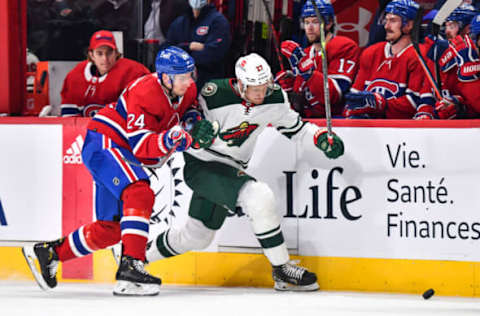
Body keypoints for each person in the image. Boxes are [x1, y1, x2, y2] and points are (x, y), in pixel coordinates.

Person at [146, 53, 345, 291]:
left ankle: (135, 258)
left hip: (232, 168)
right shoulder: (214, 94)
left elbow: (297, 128)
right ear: (240, 84)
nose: (261, 94)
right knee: (258, 196)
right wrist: (194, 128)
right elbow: (181, 118)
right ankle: (281, 269)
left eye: (264, 87)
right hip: (202, 165)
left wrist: (320, 137)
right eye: (254, 89)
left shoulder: (275, 98)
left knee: (197, 236)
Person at [22, 46, 211, 296]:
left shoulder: (187, 88)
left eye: (190, 75)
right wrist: (170, 139)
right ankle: (132, 267)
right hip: (105, 142)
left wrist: (193, 123)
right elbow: (143, 148)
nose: (189, 82)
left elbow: (187, 111)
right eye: (183, 77)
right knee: (139, 191)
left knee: (110, 229)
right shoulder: (144, 92)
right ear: (165, 77)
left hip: (121, 151)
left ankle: (49, 253)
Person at [343, 0, 435, 119]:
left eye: (393, 21)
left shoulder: (420, 55)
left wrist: (380, 104)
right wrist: (354, 110)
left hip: (399, 130)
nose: (386, 26)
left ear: (409, 25)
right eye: (386, 20)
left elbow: (413, 103)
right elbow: (353, 98)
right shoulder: (371, 53)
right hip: (369, 126)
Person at [276, 0, 360, 118]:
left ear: (329, 23)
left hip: (335, 123)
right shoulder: (304, 53)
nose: (309, 28)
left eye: (315, 22)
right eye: (306, 22)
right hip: (307, 122)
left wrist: (307, 71)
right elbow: (300, 103)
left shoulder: (344, 46)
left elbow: (335, 95)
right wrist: (289, 90)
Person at [60, 30, 150, 117]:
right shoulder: (75, 76)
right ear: (91, 55)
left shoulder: (133, 73)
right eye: (100, 53)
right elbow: (70, 117)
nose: (105, 58)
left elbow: (141, 113)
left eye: (109, 53)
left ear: (116, 53)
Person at [162, 0, 231, 90]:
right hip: (179, 86)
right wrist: (189, 46)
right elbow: (165, 51)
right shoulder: (179, 22)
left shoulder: (218, 21)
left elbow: (213, 54)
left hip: (207, 86)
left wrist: (179, 54)